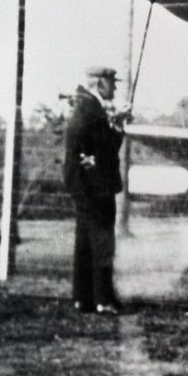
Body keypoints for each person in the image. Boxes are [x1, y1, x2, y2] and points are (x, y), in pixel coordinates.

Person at [63, 64, 128, 314]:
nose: (114, 87)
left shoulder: (87, 106)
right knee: (102, 242)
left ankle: (83, 297)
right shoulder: (91, 108)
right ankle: (103, 299)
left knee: (85, 242)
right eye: (112, 82)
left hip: (84, 184)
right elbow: (103, 147)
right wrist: (119, 125)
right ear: (100, 83)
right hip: (95, 186)